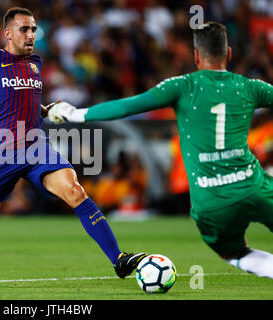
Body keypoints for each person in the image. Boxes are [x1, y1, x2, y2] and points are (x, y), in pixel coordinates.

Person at [0, 7, 146, 277]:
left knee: (75, 191)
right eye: (24, 29)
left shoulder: (35, 63)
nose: (31, 35)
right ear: (7, 33)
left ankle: (118, 259)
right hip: (2, 152)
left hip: (36, 147)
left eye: (34, 29)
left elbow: (23, 97)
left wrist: (44, 109)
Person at [49, 21, 273, 279]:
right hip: (254, 186)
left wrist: (76, 114)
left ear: (196, 56)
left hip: (211, 200)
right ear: (229, 54)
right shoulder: (252, 87)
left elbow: (131, 105)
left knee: (235, 253)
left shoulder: (182, 86)